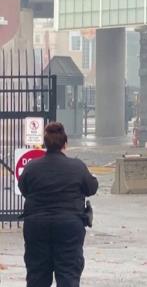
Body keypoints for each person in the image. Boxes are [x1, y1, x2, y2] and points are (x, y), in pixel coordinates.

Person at [18, 122, 98, 287]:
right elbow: (91, 188)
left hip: (37, 225)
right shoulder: (77, 167)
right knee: (68, 274)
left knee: (37, 275)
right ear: (65, 144)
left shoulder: (32, 167)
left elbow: (24, 189)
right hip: (69, 225)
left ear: (45, 144)